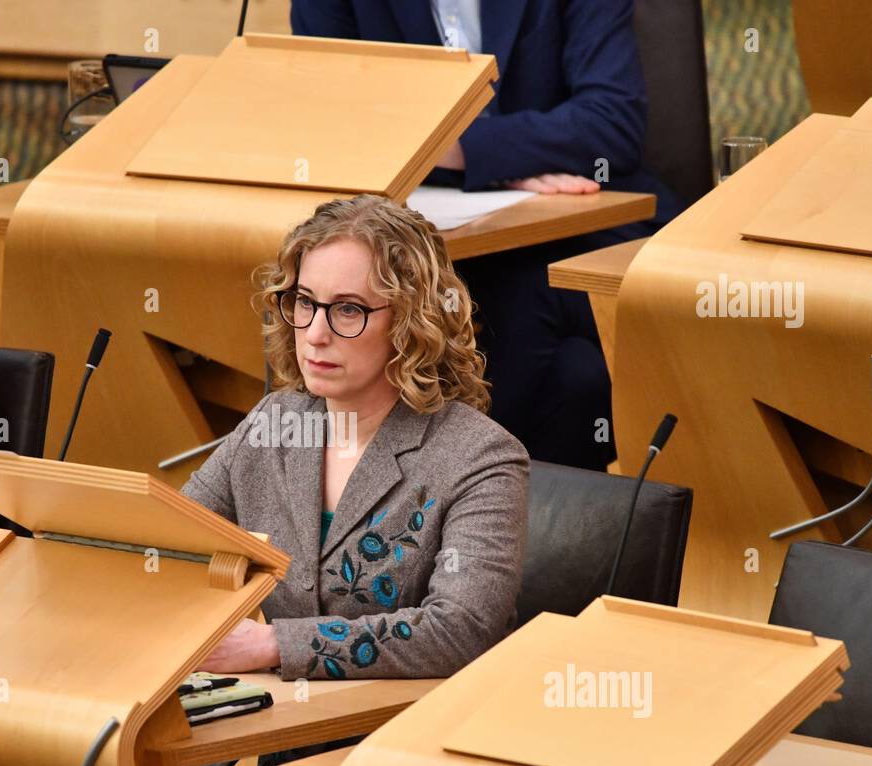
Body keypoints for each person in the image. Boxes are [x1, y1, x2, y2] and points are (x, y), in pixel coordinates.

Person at [182, 194, 528, 766]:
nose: (314, 332)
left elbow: (462, 631)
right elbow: (175, 544)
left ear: (413, 321)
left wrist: (271, 644)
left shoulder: (478, 457)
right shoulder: (276, 425)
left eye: (348, 311)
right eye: (303, 302)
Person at [291, 0, 684, 470]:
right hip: (440, 244)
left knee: (524, 295)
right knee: (579, 376)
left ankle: (443, 492)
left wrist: (479, 152)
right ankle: (486, 515)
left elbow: (612, 122)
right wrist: (510, 160)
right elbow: (334, 124)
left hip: (595, 226)